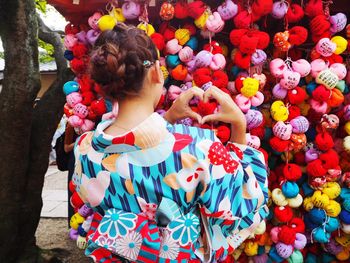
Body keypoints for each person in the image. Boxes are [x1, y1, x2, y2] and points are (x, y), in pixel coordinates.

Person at [72, 23, 268, 262]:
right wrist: (239, 124)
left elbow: (134, 156)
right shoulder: (198, 147)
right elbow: (246, 198)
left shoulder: (84, 148)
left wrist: (168, 120)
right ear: (156, 72)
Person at [64, 121, 78, 224]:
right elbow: (66, 148)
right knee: (73, 190)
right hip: (74, 161)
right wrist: (80, 140)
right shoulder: (71, 124)